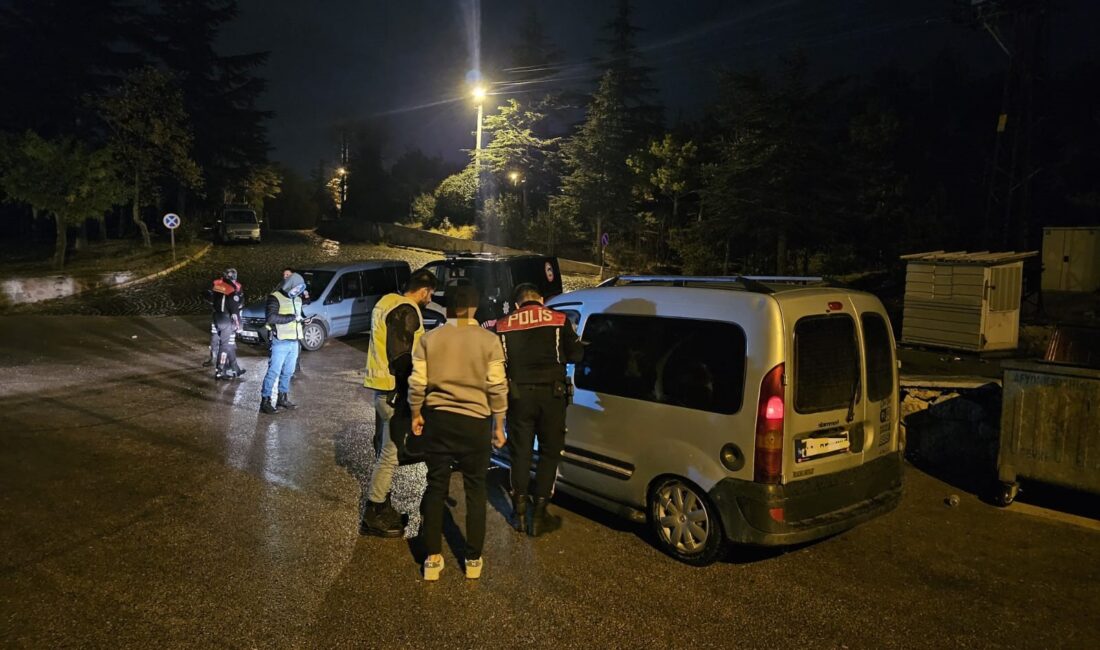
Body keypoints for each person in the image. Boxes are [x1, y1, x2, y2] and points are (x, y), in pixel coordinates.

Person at [411, 279, 507, 581]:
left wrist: (416, 411)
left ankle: (432, 559)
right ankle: (473, 559)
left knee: (436, 486)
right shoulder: (489, 341)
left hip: (439, 420)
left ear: (450, 306)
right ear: (475, 307)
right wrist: (499, 424)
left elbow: (418, 381)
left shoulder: (430, 338)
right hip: (475, 423)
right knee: (475, 490)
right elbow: (497, 386)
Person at [495, 283, 583, 536]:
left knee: (520, 454)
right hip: (552, 396)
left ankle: (519, 514)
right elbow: (576, 354)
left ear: (517, 305)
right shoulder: (558, 318)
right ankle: (540, 515)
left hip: (518, 396)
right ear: (541, 300)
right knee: (549, 453)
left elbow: (499, 363)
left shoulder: (503, 324)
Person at [359, 269, 438, 537]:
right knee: (389, 455)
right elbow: (402, 356)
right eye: (431, 294)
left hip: (381, 388)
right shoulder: (407, 309)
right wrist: (413, 392)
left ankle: (382, 503)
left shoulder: (386, 302)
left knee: (384, 451)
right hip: (395, 391)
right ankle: (375, 512)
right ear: (424, 290)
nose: (430, 299)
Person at [259, 271, 309, 414]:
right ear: (290, 284)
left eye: (300, 288)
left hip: (294, 342)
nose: (298, 291)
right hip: (280, 341)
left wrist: (305, 320)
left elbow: (299, 316)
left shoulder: (298, 299)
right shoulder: (275, 297)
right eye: (296, 287)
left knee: (288, 372)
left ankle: (282, 398)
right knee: (273, 371)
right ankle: (265, 401)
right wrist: (291, 317)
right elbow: (271, 317)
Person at [208, 268, 246, 380]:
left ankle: (235, 368)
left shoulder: (218, 286)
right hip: (226, 321)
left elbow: (211, 300)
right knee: (225, 346)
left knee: (229, 344)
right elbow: (235, 312)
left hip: (217, 318)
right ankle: (220, 371)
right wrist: (239, 327)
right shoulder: (232, 290)